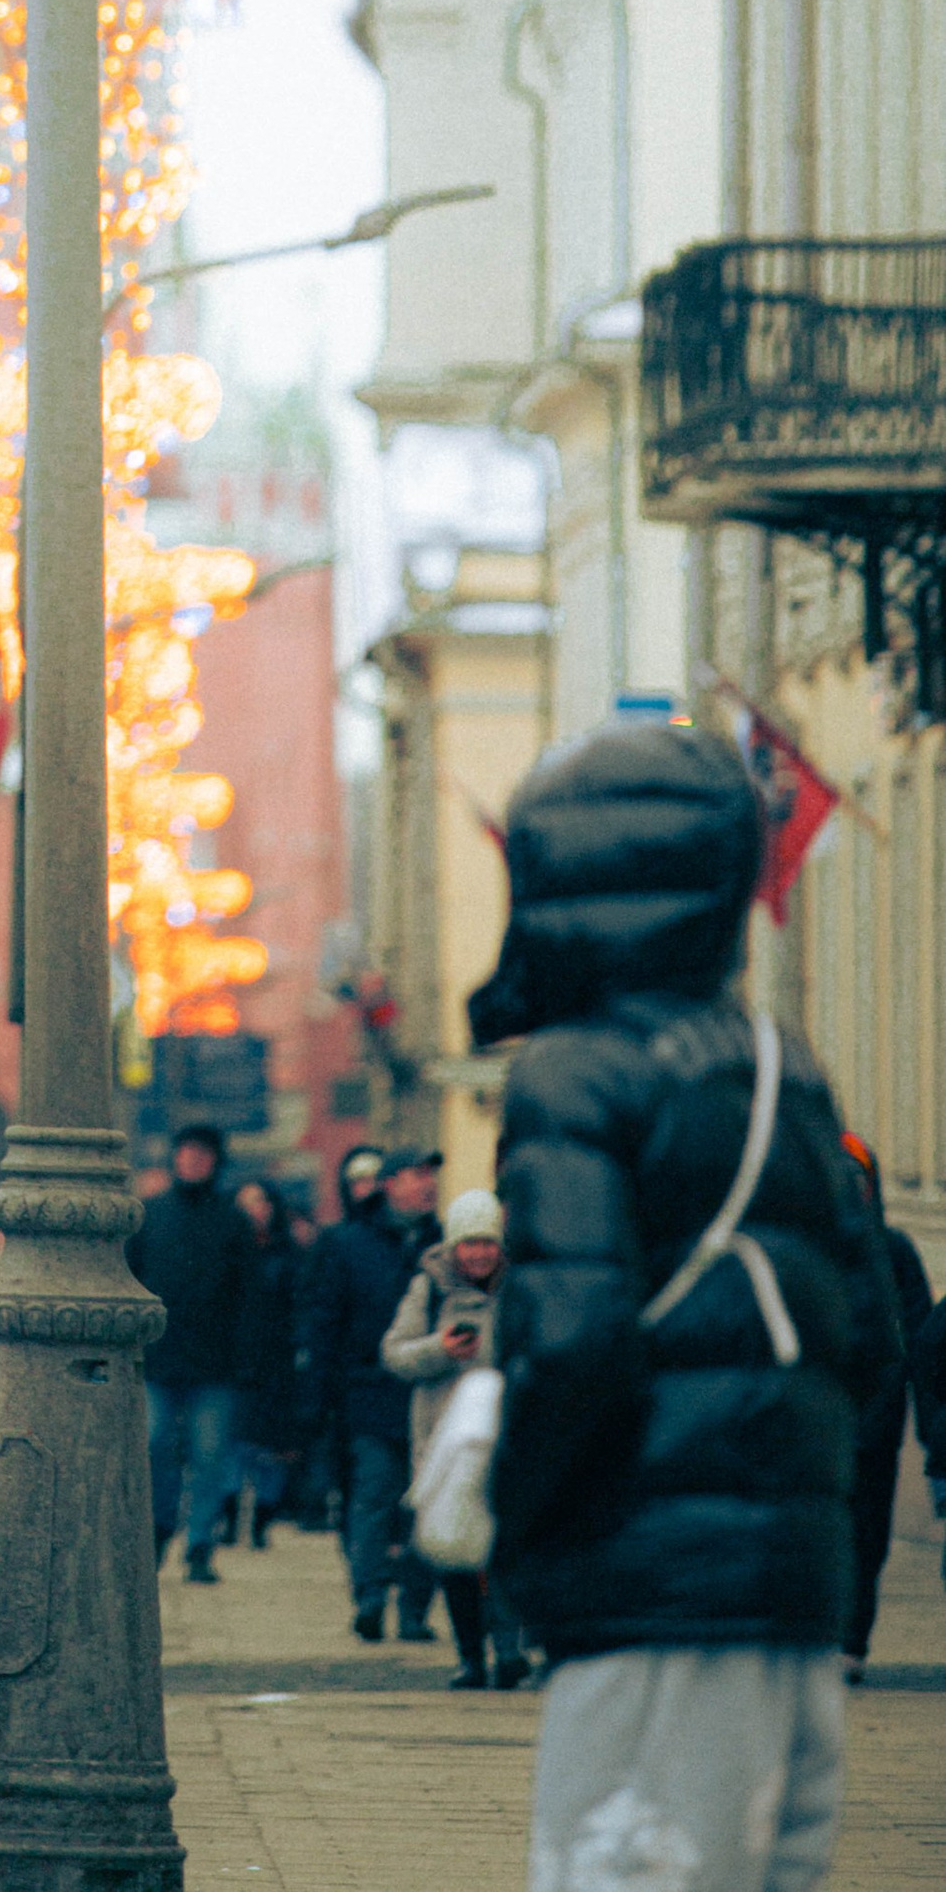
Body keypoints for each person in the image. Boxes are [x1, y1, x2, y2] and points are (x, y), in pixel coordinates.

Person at [476, 722, 898, 1892]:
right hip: (792, 1596)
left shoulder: (573, 1071)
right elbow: (863, 1337)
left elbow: (569, 1340)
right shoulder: (783, 1063)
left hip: (647, 1582)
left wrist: (516, 1526)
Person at [381, 1186, 526, 1688]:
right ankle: (471, 1658)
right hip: (447, 1442)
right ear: (454, 1247)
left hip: (505, 1436)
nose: (480, 1253)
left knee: (503, 1549)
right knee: (458, 1554)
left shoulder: (521, 1288)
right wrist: (441, 1349)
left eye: (488, 1243)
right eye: (470, 1244)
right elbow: (396, 1354)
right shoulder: (430, 1289)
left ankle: (510, 1651)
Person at [305, 1134, 442, 1642]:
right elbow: (323, 1323)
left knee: (425, 1503)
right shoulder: (346, 1244)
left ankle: (414, 1607)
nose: (427, 1185)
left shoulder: (443, 1245)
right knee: (373, 1497)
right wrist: (316, 1401)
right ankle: (368, 1597)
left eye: (431, 1176)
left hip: (429, 1397)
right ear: (390, 1185)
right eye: (417, 1175)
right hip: (366, 1395)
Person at [128, 1120, 256, 1582]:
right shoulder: (150, 1215)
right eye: (185, 1152)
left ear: (215, 1161)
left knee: (209, 1458)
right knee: (154, 1447)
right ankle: (160, 1530)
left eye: (202, 1153)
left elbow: (248, 1298)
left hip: (215, 1366)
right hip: (157, 1361)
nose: (192, 1160)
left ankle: (200, 1544)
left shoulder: (233, 1221)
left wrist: (245, 1360)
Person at [836, 1135, 930, 1677]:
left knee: (866, 1534)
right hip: (814, 1423)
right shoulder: (803, 1248)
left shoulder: (893, 1252)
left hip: (874, 1422)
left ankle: (851, 1641)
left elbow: (918, 1340)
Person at [229, 1177, 304, 1546]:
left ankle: (262, 1516)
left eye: (260, 1202)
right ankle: (228, 1517)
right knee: (234, 1442)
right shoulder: (224, 1252)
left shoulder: (287, 1256)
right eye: (245, 1203)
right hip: (231, 1358)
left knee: (272, 1446)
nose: (253, 1211)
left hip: (277, 1360)